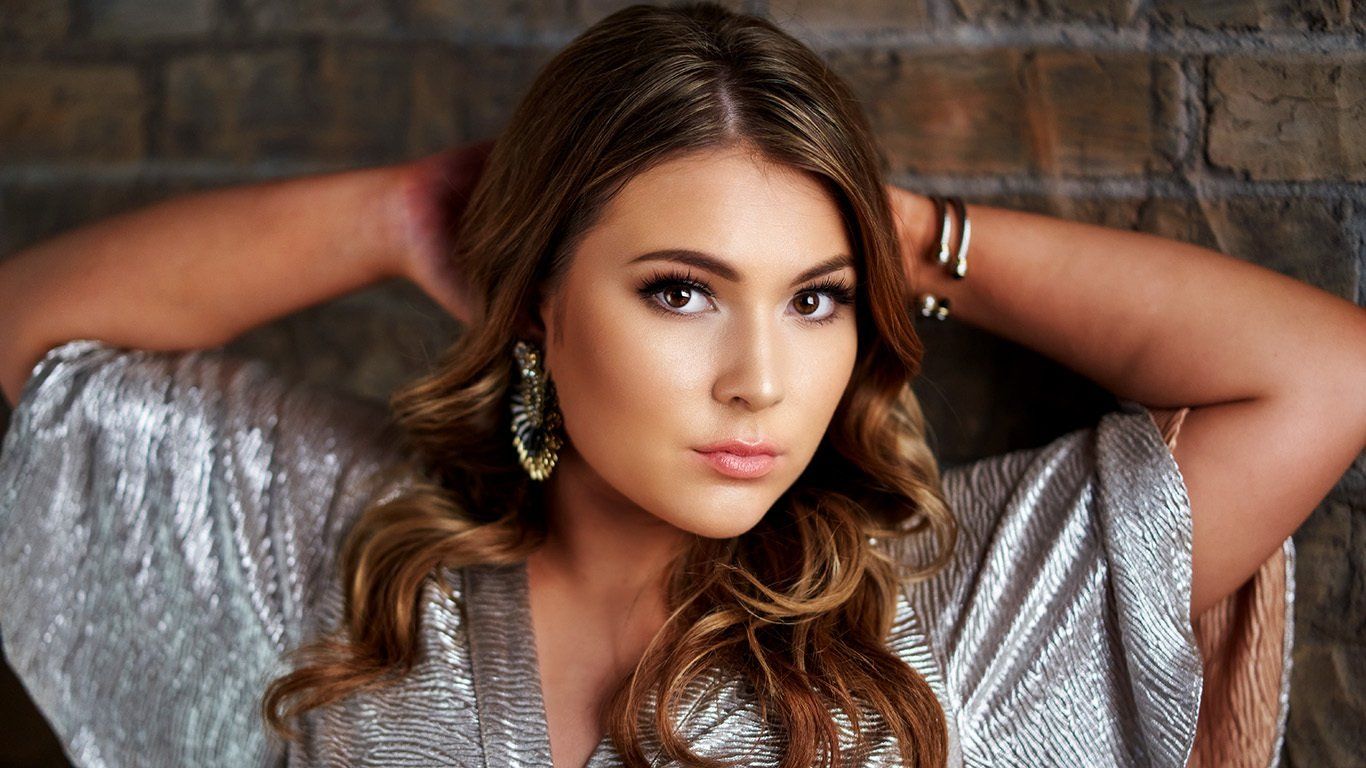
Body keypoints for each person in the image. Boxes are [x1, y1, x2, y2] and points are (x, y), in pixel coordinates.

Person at [0, 3, 1362, 767]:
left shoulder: (938, 613)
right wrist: (397, 213)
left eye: (815, 300)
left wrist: (909, 235)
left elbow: (1317, 376)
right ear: (537, 298)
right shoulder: (352, 567)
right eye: (680, 291)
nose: (760, 381)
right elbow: (30, 343)